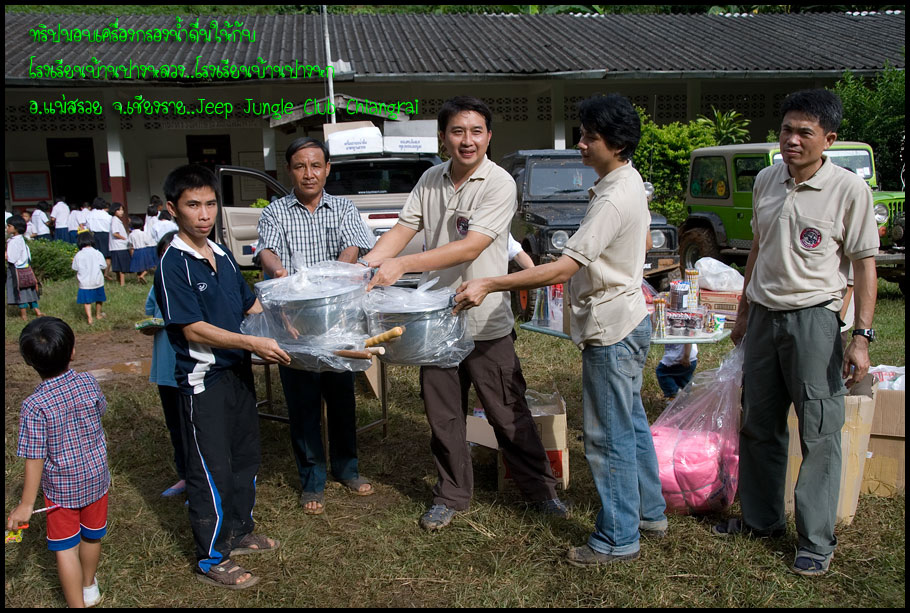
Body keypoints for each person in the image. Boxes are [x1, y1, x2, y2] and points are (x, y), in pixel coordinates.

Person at [454, 94, 666, 564]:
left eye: (590, 137)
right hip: (628, 318)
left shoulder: (613, 197)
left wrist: (491, 282)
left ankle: (618, 538)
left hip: (612, 329)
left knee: (607, 437)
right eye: (582, 135)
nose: (581, 144)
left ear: (616, 143)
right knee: (631, 424)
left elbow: (563, 269)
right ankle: (648, 513)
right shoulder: (627, 181)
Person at [363, 96, 567, 531]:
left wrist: (402, 265)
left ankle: (540, 491)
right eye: (457, 131)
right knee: (443, 416)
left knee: (507, 411)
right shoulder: (430, 179)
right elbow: (402, 229)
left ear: (489, 137)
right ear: (443, 138)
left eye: (476, 131)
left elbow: (472, 246)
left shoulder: (499, 183)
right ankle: (451, 495)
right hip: (434, 322)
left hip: (485, 319)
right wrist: (368, 264)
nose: (467, 140)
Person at [710, 89, 879, 577]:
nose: (792, 140)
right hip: (764, 317)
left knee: (819, 430)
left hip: (814, 321)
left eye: (805, 132)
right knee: (759, 423)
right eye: (786, 129)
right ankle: (761, 520)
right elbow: (759, 248)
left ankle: (816, 541)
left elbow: (864, 266)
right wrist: (744, 311)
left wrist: (861, 337)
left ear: (829, 139)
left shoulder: (848, 190)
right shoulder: (767, 179)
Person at [154, 163, 289, 590]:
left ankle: (240, 529)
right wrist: (251, 343)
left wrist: (287, 329)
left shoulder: (223, 253)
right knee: (210, 467)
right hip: (203, 381)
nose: (204, 214)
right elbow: (192, 329)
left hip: (238, 374)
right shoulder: (173, 264)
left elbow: (251, 305)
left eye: (210, 204)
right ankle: (212, 556)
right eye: (193, 205)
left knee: (245, 457)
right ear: (172, 209)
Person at [256, 137, 377, 514]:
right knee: (303, 403)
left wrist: (333, 279)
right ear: (289, 171)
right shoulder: (275, 212)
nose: (308, 173)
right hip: (291, 320)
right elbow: (267, 251)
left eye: (315, 165)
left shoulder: (342, 207)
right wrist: (279, 273)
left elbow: (353, 248)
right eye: (299, 166)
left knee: (341, 397)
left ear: (327, 169)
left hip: (337, 319)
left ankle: (347, 469)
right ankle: (312, 481)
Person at [7, 317, 109, 607]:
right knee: (92, 537)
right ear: (72, 351)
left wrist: (26, 504)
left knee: (65, 548)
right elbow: (100, 410)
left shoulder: (34, 406)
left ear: (29, 361)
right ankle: (89, 586)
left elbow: (35, 456)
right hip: (97, 478)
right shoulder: (88, 382)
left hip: (62, 490)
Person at [146, 230, 186, 498]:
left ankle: (202, 480)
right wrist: (150, 326)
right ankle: (185, 476)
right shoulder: (157, 286)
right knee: (175, 426)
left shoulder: (192, 283)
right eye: (163, 254)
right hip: (165, 369)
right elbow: (150, 315)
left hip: (189, 367)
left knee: (194, 427)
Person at [6, 214, 44, 320]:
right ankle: (37, 311)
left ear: (16, 228)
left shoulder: (13, 242)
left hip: (16, 270)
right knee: (30, 290)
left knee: (19, 292)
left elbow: (12, 259)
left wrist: (6, 255)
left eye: (9, 226)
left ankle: (24, 316)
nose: (7, 228)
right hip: (26, 268)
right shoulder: (22, 239)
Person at [71, 231, 107, 325]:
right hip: (97, 280)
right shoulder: (97, 253)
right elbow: (103, 266)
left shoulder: (78, 255)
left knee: (87, 301)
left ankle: (89, 318)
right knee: (99, 298)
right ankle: (98, 314)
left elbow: (75, 268)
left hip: (85, 282)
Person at [87, 198, 113, 280]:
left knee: (96, 255)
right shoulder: (106, 215)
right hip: (106, 235)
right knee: (107, 256)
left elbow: (88, 226)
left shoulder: (90, 214)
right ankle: (106, 273)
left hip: (95, 235)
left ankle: (97, 273)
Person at [128, 215, 156, 284]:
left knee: (138, 267)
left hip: (136, 251)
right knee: (147, 266)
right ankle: (142, 276)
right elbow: (147, 242)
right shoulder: (143, 233)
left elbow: (130, 244)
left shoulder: (131, 234)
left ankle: (139, 279)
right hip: (144, 250)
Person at [108, 203, 130, 287]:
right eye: (119, 210)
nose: (122, 212)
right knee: (121, 267)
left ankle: (119, 281)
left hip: (117, 246)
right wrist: (124, 238)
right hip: (119, 246)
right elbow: (115, 233)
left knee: (118, 266)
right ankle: (122, 283)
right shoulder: (115, 220)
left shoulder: (116, 220)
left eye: (122, 210)